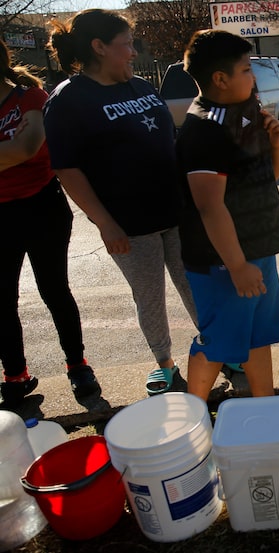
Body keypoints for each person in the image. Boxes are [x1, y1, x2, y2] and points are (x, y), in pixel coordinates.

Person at [43, 9, 198, 396]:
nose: (133, 51)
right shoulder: (69, 100)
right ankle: (165, 366)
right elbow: (67, 169)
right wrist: (104, 223)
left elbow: (168, 144)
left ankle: (218, 351)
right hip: (129, 225)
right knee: (150, 298)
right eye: (126, 44)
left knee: (197, 286)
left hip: (177, 212)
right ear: (99, 47)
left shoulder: (142, 87)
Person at [175, 30, 279, 402]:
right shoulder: (205, 128)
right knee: (218, 343)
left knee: (257, 335)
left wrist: (277, 145)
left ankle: (267, 407)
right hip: (222, 262)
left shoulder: (247, 111)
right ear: (220, 79)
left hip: (257, 250)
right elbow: (210, 206)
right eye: (246, 70)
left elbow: (265, 179)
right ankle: (193, 416)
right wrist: (237, 265)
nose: (253, 77)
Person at [0, 40, 100, 406]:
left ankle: (78, 366)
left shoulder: (29, 97)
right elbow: (13, 152)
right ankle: (15, 374)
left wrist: (13, 155)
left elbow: (27, 148)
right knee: (2, 300)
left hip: (42, 207)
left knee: (54, 290)